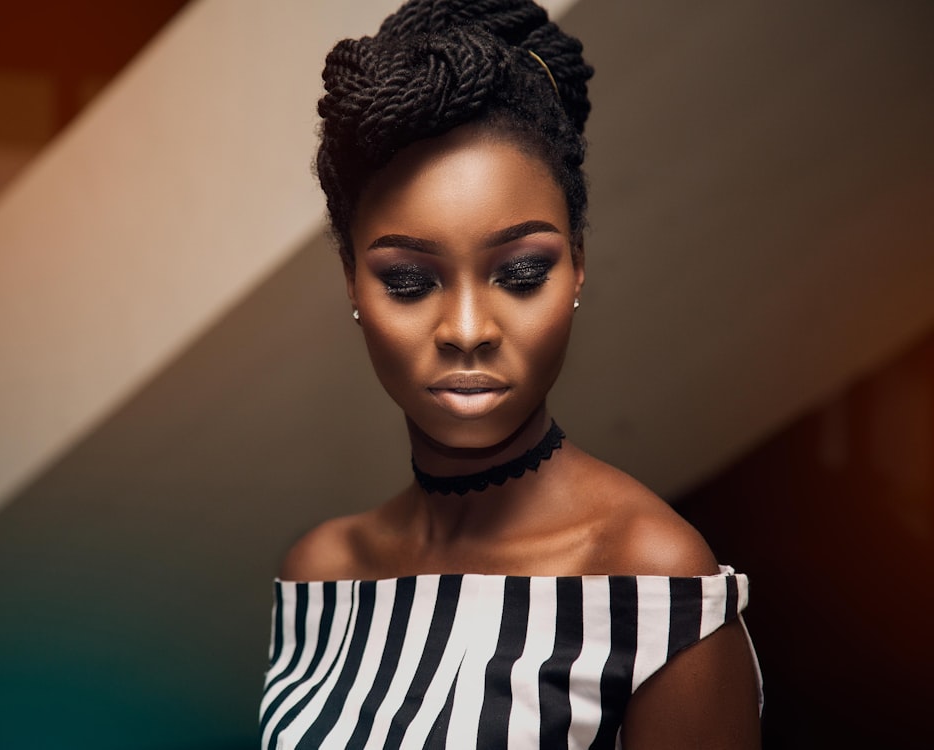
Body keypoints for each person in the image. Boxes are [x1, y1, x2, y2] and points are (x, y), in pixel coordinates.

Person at [260, 1, 763, 747]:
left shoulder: (654, 581)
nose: (468, 331)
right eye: (408, 281)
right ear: (350, 282)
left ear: (578, 268)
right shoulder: (319, 574)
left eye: (521, 273)